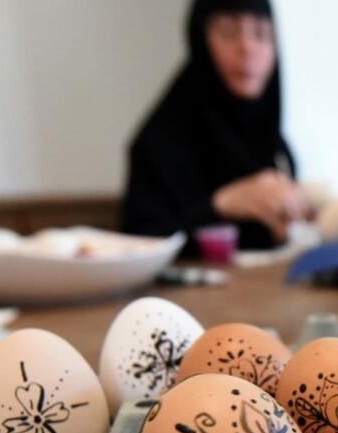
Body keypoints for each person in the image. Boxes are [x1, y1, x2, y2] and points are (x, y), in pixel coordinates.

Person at [121, 0, 309, 253]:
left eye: (261, 34)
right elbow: (137, 245)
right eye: (229, 32)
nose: (247, 47)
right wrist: (220, 205)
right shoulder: (159, 144)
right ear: (200, 40)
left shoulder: (278, 152)